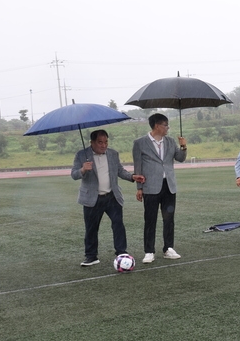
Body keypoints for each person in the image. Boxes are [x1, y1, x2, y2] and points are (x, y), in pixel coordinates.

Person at [71, 129, 145, 266]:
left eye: (106, 142)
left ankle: (121, 253)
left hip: (112, 196)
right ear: (92, 142)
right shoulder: (82, 155)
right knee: (91, 228)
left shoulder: (113, 154)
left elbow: (120, 171)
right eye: (100, 142)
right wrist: (83, 169)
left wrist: (132, 176)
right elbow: (74, 174)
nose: (103, 145)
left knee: (118, 224)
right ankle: (91, 256)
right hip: (92, 199)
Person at [132, 113, 187, 263]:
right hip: (150, 187)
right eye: (165, 125)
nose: (168, 128)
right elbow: (138, 166)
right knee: (150, 219)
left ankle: (168, 248)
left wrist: (183, 145)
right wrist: (139, 187)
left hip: (168, 186)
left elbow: (180, 159)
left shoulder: (170, 141)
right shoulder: (140, 143)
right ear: (157, 125)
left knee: (169, 219)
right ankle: (149, 251)